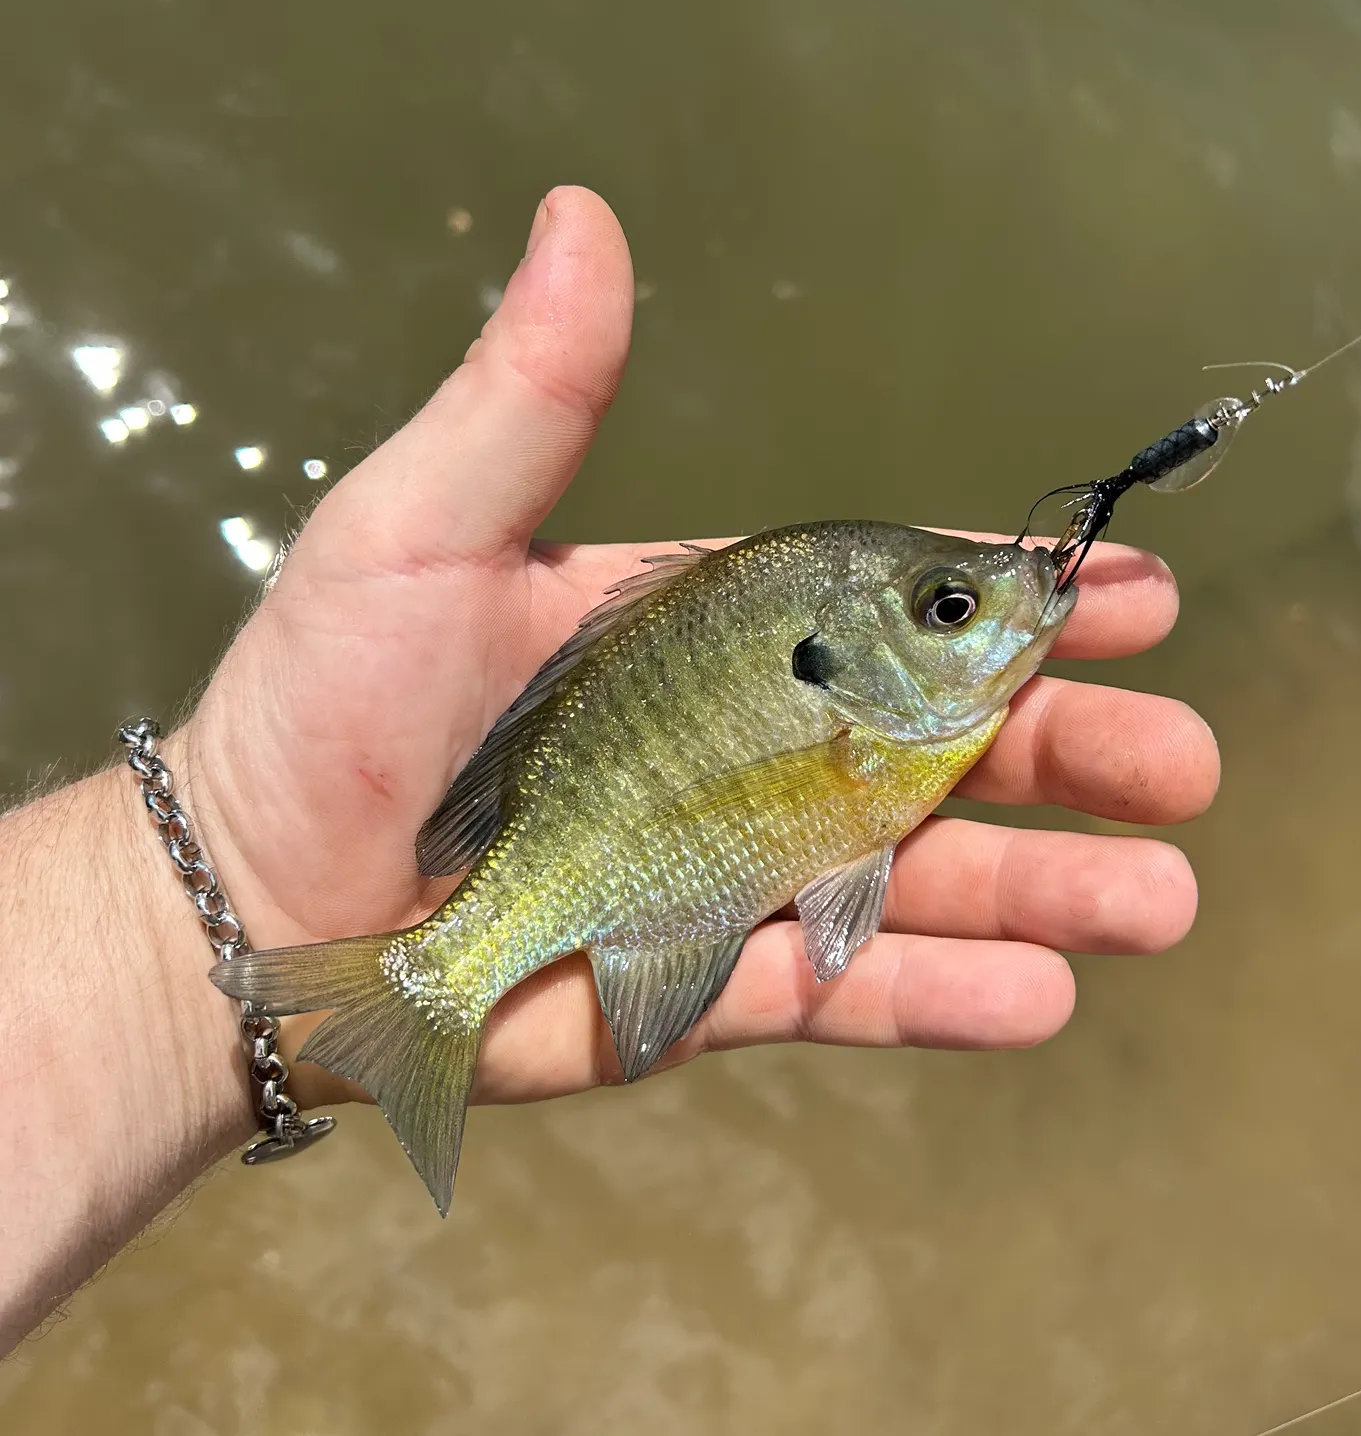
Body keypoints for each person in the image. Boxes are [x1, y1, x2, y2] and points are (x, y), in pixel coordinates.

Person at [0, 187, 1219, 1353]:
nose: (992, 609)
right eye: (949, 608)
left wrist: (167, 963)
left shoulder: (897, 736)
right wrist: (204, 907)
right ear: (840, 668)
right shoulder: (886, 736)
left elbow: (826, 839)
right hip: (576, 866)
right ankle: (418, 992)